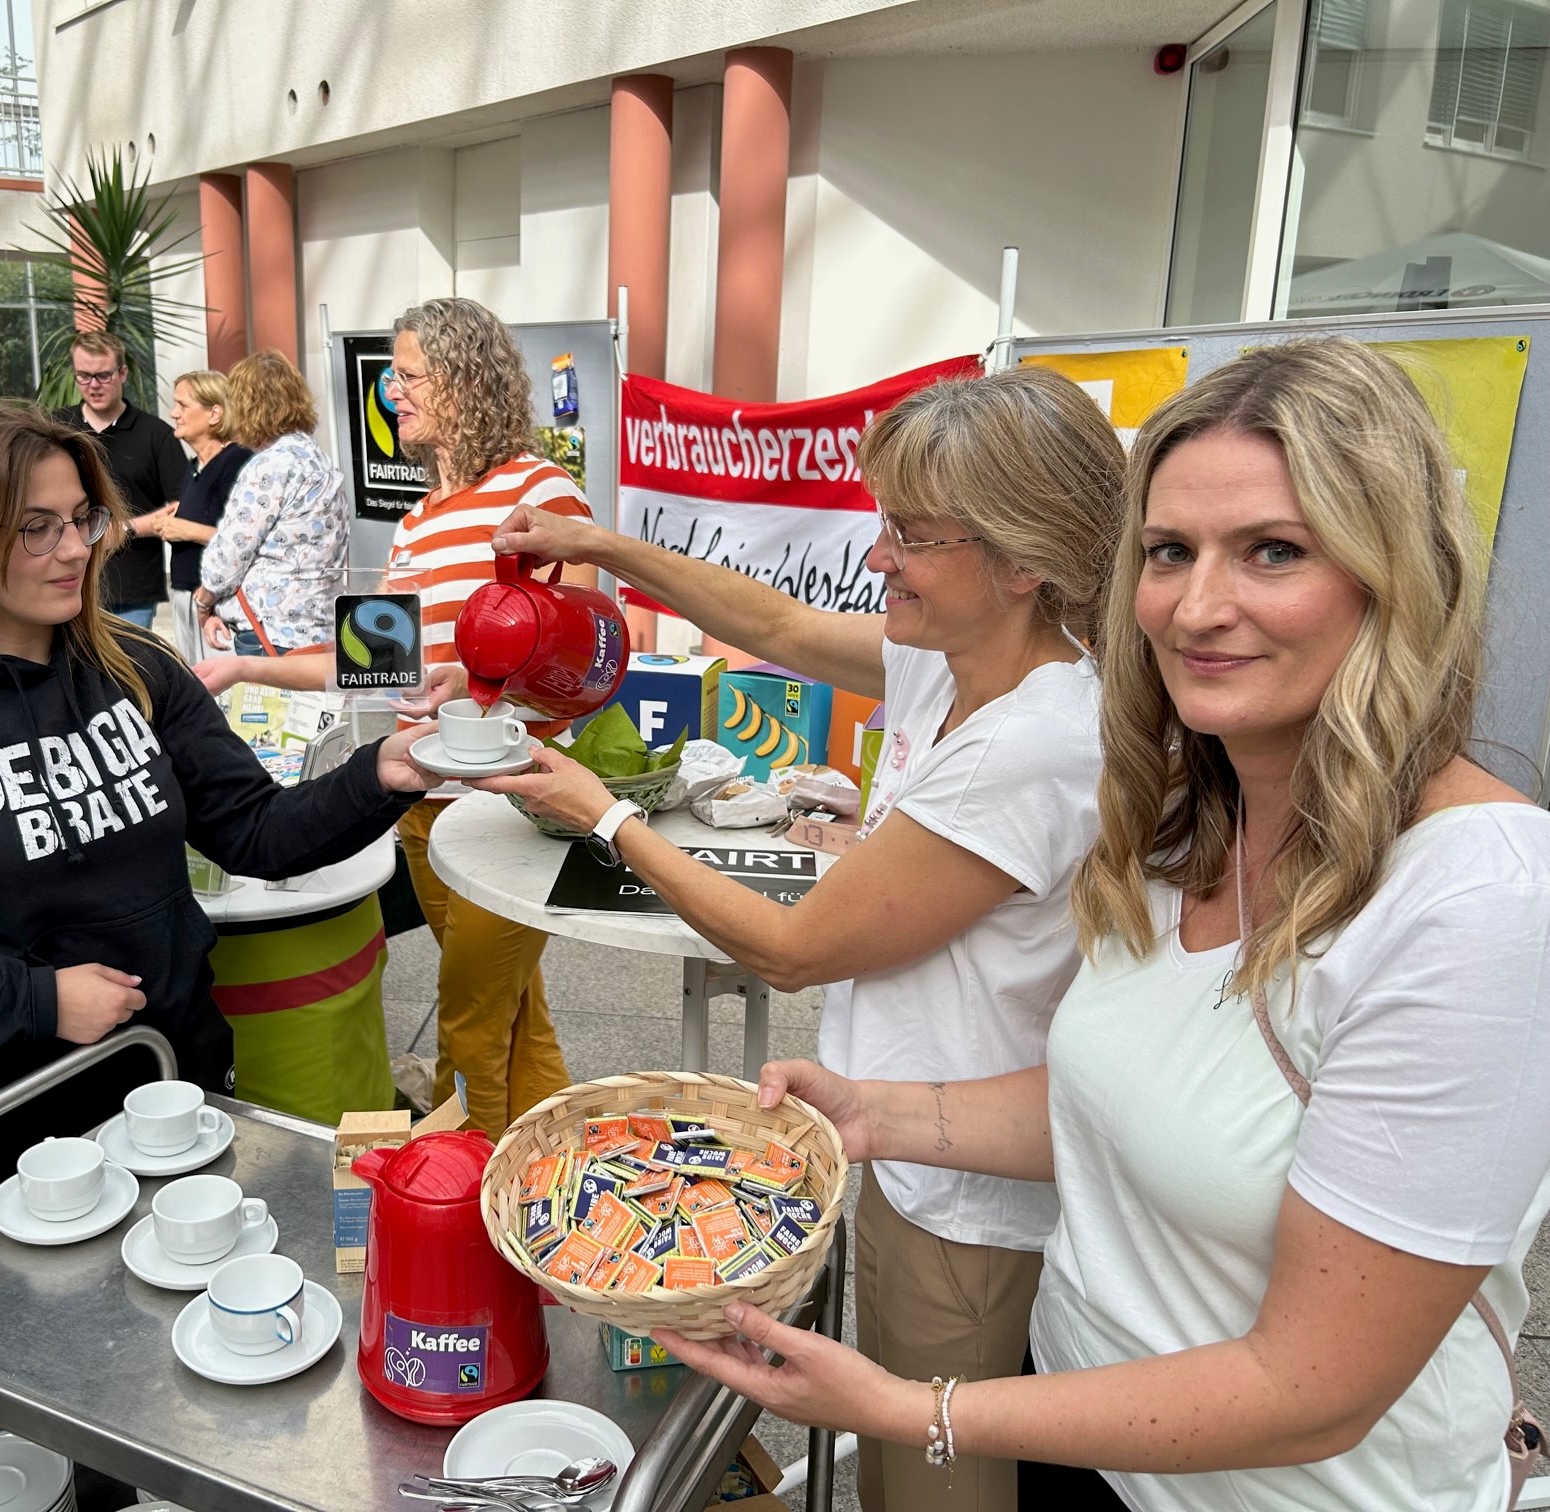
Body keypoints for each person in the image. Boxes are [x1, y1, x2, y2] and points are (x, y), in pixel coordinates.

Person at [655, 338, 1550, 1512]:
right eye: (1170, 553)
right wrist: (878, 1112)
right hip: (1087, 1436)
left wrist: (912, 1409)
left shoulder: (1481, 902)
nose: (1198, 605)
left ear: (1398, 574)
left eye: (1274, 551)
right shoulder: (1190, 817)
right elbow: (1123, 1091)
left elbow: (1313, 1384)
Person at [475, 364, 1125, 1510]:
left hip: (968, 1187)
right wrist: (605, 546)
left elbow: (793, 948)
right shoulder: (958, 661)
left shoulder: (1036, 742)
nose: (879, 558)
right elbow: (769, 621)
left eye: (911, 536)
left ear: (1024, 560)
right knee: (882, 1443)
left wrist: (605, 812)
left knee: (933, 1477)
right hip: (904, 1133)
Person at [0, 399, 438, 1507]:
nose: (73, 547)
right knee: (5, 1456)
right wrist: (36, 1000)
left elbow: (256, 831)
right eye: (32, 525)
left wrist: (386, 776)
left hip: (170, 1124)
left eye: (83, 517)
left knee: (153, 1418)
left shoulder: (137, 668)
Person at [198, 299, 601, 1139]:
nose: (391, 393)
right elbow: (368, 661)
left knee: (468, 1021)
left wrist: (486, 689)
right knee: (513, 1010)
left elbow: (586, 661)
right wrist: (243, 665)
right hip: (423, 808)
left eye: (409, 374)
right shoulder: (416, 523)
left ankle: (467, 1200)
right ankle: (555, 1168)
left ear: (464, 380)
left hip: (512, 806)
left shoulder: (538, 491)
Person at [191, 349, 348, 655]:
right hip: (319, 627)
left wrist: (204, 601)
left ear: (247, 407)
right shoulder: (319, 461)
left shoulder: (270, 466)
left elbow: (232, 552)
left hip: (270, 632)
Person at [51, 330, 187, 629]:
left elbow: (183, 507)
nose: (94, 385)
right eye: (84, 376)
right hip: (65, 582)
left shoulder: (156, 435)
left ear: (122, 373)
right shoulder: (56, 428)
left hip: (131, 591)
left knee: (127, 674)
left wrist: (125, 529)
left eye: (103, 375)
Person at [156, 369, 252, 663]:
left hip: (217, 605)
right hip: (186, 596)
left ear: (215, 414)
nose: (174, 413)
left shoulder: (237, 462)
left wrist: (186, 529)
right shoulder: (194, 465)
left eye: (183, 405)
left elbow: (247, 540)